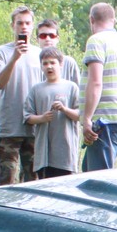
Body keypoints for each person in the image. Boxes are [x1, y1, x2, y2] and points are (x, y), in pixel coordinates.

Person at [0, 6, 47, 185]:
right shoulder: (1, 52)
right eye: (20, 23)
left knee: (33, 181)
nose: (23, 27)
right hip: (9, 127)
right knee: (5, 180)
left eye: (27, 23)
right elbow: (0, 83)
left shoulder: (40, 54)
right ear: (12, 25)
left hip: (34, 126)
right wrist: (14, 58)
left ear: (32, 26)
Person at [79, 1, 117, 172]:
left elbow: (96, 82)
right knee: (88, 170)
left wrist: (87, 118)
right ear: (114, 20)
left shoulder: (96, 41)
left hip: (105, 118)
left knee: (99, 177)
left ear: (91, 20)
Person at [26, 47, 83, 179]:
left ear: (61, 64)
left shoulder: (71, 87)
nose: (49, 66)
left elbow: (80, 115)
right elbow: (28, 117)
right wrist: (42, 118)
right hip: (43, 156)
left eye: (52, 62)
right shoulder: (36, 89)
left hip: (65, 154)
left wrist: (64, 109)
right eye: (45, 63)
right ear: (41, 66)